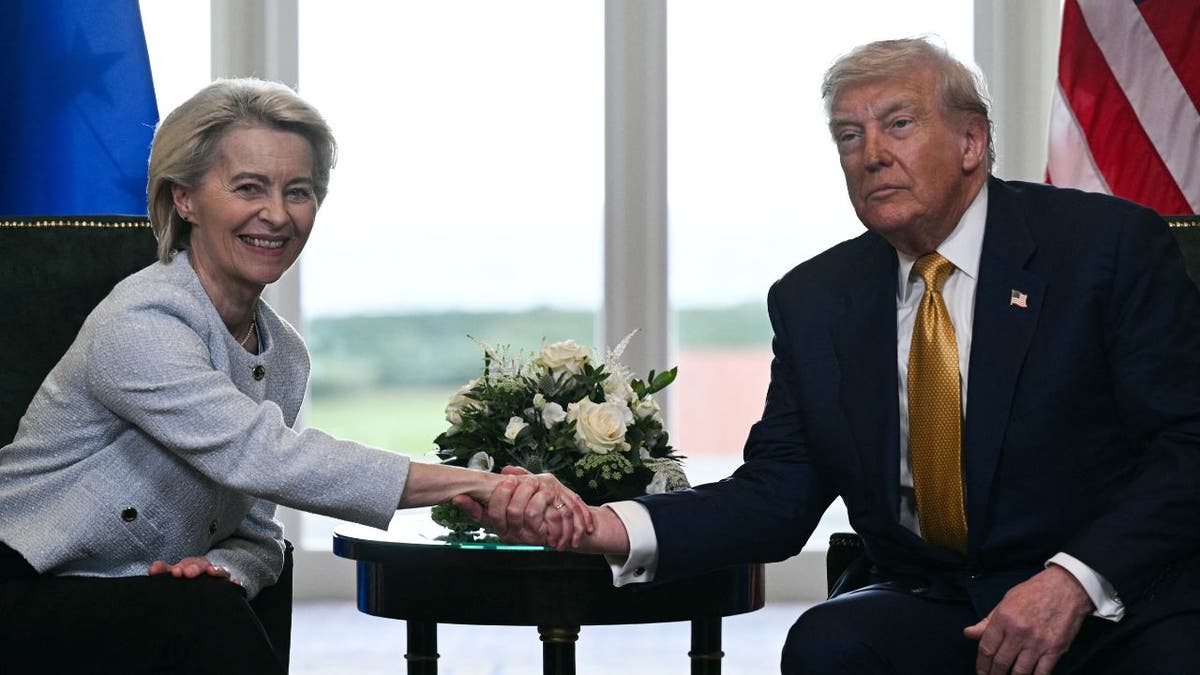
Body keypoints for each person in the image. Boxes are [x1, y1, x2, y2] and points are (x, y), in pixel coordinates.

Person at [464, 37, 1200, 674]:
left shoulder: (1103, 249)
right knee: (831, 643)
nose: (871, 153)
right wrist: (600, 522)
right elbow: (776, 496)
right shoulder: (818, 299)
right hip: (941, 599)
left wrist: (1071, 581)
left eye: (898, 125)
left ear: (972, 142)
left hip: (1111, 598)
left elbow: (1187, 445)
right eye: (848, 136)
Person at [0, 78, 590, 674]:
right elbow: (268, 457)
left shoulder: (283, 354)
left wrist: (224, 567)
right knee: (201, 618)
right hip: (23, 584)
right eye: (248, 188)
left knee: (206, 602)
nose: (278, 216)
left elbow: (258, 533)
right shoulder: (143, 320)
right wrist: (480, 485)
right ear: (184, 199)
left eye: (298, 192)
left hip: (137, 597)